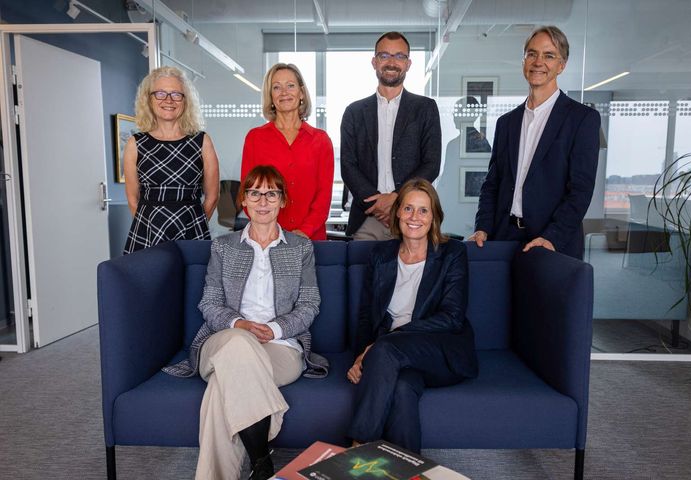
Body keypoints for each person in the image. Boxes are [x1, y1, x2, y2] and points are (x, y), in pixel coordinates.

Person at [163, 165, 328, 480]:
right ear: (244, 201)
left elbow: (310, 305)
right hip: (224, 338)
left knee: (218, 389)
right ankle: (261, 456)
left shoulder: (300, 247)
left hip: (280, 347)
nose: (263, 201)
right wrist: (240, 325)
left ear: (282, 201)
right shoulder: (224, 246)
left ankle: (245, 469)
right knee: (239, 345)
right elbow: (209, 304)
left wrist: (275, 329)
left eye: (271, 194)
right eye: (255, 193)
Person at [346, 178, 478, 453]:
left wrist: (383, 344)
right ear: (397, 214)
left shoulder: (452, 253)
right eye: (407, 209)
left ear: (434, 217)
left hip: (439, 350)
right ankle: (408, 469)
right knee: (403, 389)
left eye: (423, 210)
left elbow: (452, 317)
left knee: (387, 350)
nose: (414, 217)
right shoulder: (381, 255)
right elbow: (365, 316)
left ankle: (357, 446)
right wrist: (361, 355)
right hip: (391, 357)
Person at [470, 25, 600, 260]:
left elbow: (580, 190)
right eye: (532, 54)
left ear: (562, 65)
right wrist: (483, 227)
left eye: (549, 55)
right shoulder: (506, 123)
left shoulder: (582, 119)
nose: (538, 61)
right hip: (504, 236)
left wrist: (552, 237)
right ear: (523, 62)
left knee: (545, 299)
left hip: (550, 240)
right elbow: (492, 184)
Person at [341, 31, 442, 240]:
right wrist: (377, 203)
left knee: (411, 273)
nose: (392, 62)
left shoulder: (425, 109)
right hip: (367, 219)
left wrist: (397, 199)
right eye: (384, 56)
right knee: (364, 274)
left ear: (408, 63)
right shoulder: (354, 112)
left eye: (399, 56)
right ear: (374, 61)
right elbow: (348, 166)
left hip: (411, 217)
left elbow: (431, 163)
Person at [124, 66, 219, 254]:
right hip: (148, 235)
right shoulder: (135, 144)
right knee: (150, 283)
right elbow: (133, 200)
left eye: (176, 94)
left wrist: (194, 224)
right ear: (149, 100)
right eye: (160, 93)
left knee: (193, 283)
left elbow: (212, 197)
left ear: (186, 101)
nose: (168, 100)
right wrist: (150, 226)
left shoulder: (202, 141)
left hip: (192, 232)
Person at [240, 63, 334, 240]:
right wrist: (272, 231)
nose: (284, 92)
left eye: (290, 85)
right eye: (276, 87)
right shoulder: (255, 138)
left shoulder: (320, 140)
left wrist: (304, 232)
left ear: (301, 92)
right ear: (271, 96)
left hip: (310, 240)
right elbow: (248, 193)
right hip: (266, 239)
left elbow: (323, 198)